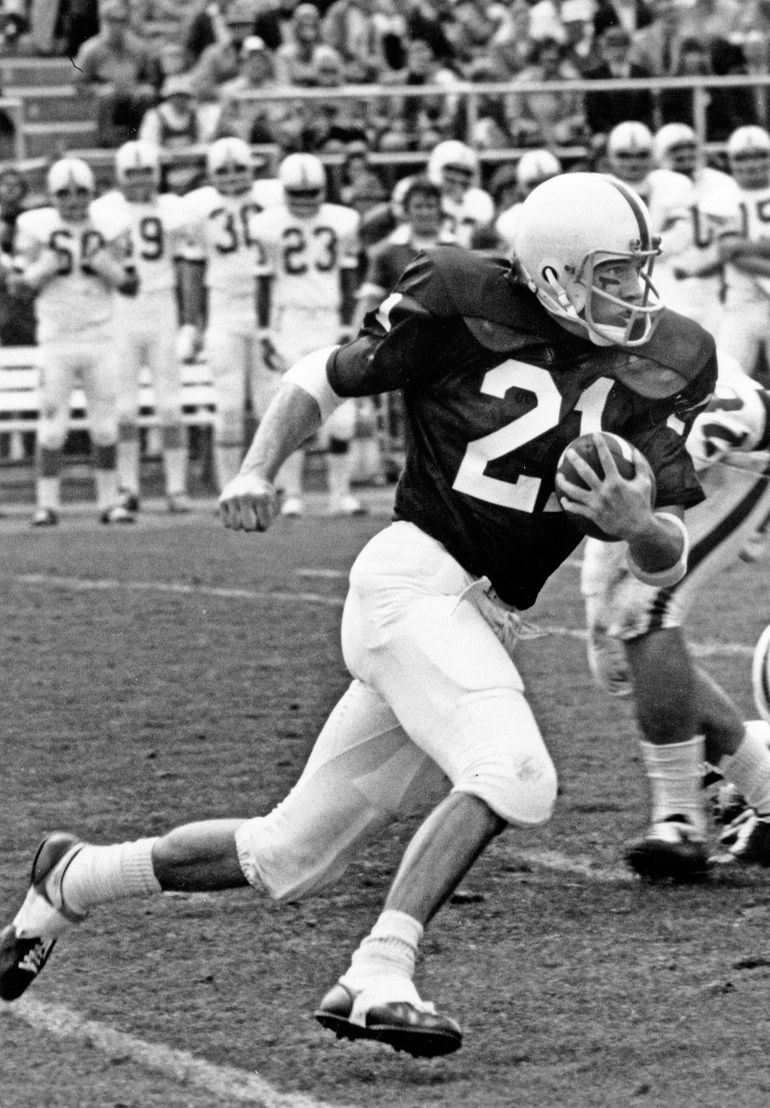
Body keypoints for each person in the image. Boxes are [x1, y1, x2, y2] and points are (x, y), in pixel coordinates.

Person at [0, 173, 717, 1055]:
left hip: (481, 614)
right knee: (516, 772)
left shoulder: (669, 356)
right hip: (413, 582)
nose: (633, 293)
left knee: (284, 855)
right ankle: (380, 970)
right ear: (556, 274)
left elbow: (669, 551)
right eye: (611, 273)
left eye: (637, 270)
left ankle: (71, 879)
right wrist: (259, 467)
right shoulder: (460, 300)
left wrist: (638, 525)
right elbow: (321, 376)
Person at [582, 359, 770, 878]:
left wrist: (600, 612)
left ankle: (679, 821)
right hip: (685, 437)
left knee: (641, 608)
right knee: (629, 624)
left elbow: (632, 514)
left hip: (733, 441)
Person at [8, 157, 138, 526]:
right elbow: (17, 288)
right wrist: (38, 273)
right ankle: (47, 504)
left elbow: (131, 285)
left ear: (92, 193)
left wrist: (109, 269)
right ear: (52, 196)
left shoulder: (111, 226)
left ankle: (109, 502)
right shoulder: (35, 227)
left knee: (105, 427)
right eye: (64, 194)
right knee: (51, 427)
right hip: (57, 340)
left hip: (101, 337)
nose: (73, 201)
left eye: (81, 192)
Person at [251, 152, 366, 517]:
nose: (304, 202)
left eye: (311, 192)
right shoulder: (267, 224)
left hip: (330, 320)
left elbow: (349, 277)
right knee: (294, 409)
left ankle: (340, 493)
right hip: (290, 323)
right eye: (296, 194)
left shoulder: (343, 220)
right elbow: (264, 281)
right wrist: (264, 330)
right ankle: (292, 494)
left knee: (342, 416)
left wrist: (350, 324)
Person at [91, 140, 194, 514]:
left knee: (169, 406)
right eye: (131, 174)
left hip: (162, 306)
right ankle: (128, 487)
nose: (139, 181)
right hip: (121, 311)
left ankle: (176, 488)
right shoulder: (102, 210)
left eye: (146, 172)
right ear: (119, 174)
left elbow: (186, 263)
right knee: (125, 409)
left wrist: (188, 320)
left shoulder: (173, 208)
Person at [178, 136, 282, 492]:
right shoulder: (198, 206)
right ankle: (229, 485)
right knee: (229, 406)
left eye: (239, 168)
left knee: (270, 402)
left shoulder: (273, 198)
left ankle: (269, 482)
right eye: (223, 170)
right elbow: (192, 269)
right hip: (224, 311)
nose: (233, 176)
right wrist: (192, 322)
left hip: (266, 312)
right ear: (210, 174)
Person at [651, 122, 738, 338]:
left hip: (714, 284)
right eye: (676, 149)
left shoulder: (721, 182)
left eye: (690, 147)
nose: (685, 155)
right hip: (668, 282)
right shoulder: (654, 185)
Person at [72, 0, 162, 149]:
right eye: (113, 20)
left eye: (122, 20)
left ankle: (141, 140)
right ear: (105, 21)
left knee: (147, 94)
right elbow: (78, 82)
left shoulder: (138, 47)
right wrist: (97, 89)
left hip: (132, 94)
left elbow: (151, 78)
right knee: (106, 96)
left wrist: (142, 87)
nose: (118, 25)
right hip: (105, 97)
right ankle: (105, 142)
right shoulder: (91, 49)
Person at [425, 139, 494, 248]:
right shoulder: (423, 196)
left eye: (464, 173)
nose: (458, 177)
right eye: (451, 170)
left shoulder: (480, 200)